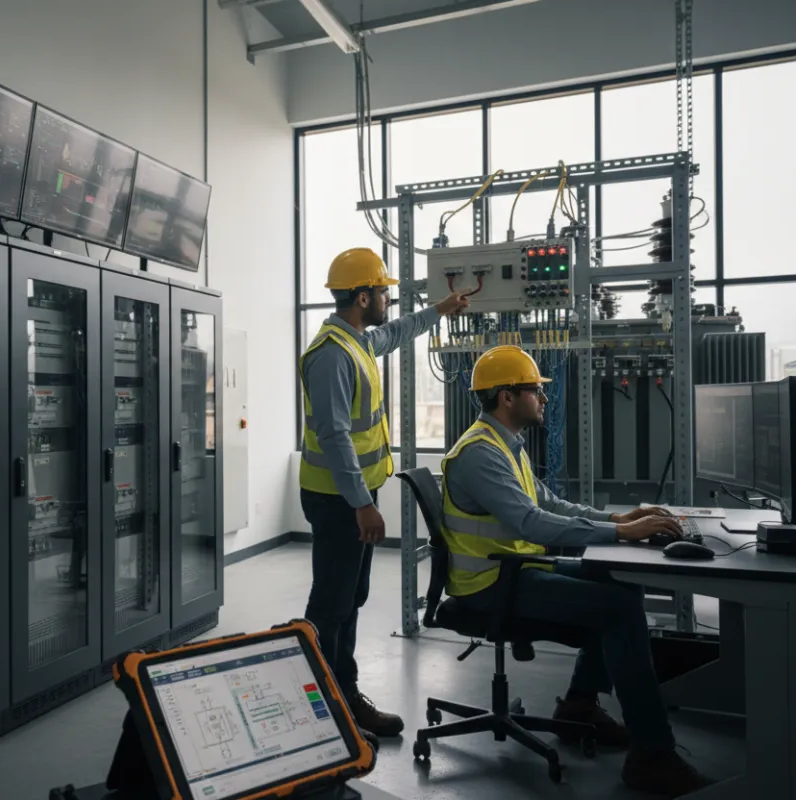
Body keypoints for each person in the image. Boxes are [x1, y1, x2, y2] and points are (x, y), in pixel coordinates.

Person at [440, 345, 716, 797]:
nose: (545, 400)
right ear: (507, 397)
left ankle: (579, 708)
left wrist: (617, 521)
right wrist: (623, 537)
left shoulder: (504, 445)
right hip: (489, 585)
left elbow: (548, 503)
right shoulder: (479, 454)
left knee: (617, 584)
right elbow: (531, 523)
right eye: (535, 391)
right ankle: (652, 755)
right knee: (619, 611)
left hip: (514, 570)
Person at [298, 247, 468, 744]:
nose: (389, 300)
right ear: (364, 295)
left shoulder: (357, 342)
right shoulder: (331, 354)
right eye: (384, 291)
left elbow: (394, 333)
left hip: (350, 496)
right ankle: (324, 710)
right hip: (337, 500)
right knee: (330, 605)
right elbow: (334, 437)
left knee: (350, 597)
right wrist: (361, 504)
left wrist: (439, 311)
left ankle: (342, 695)